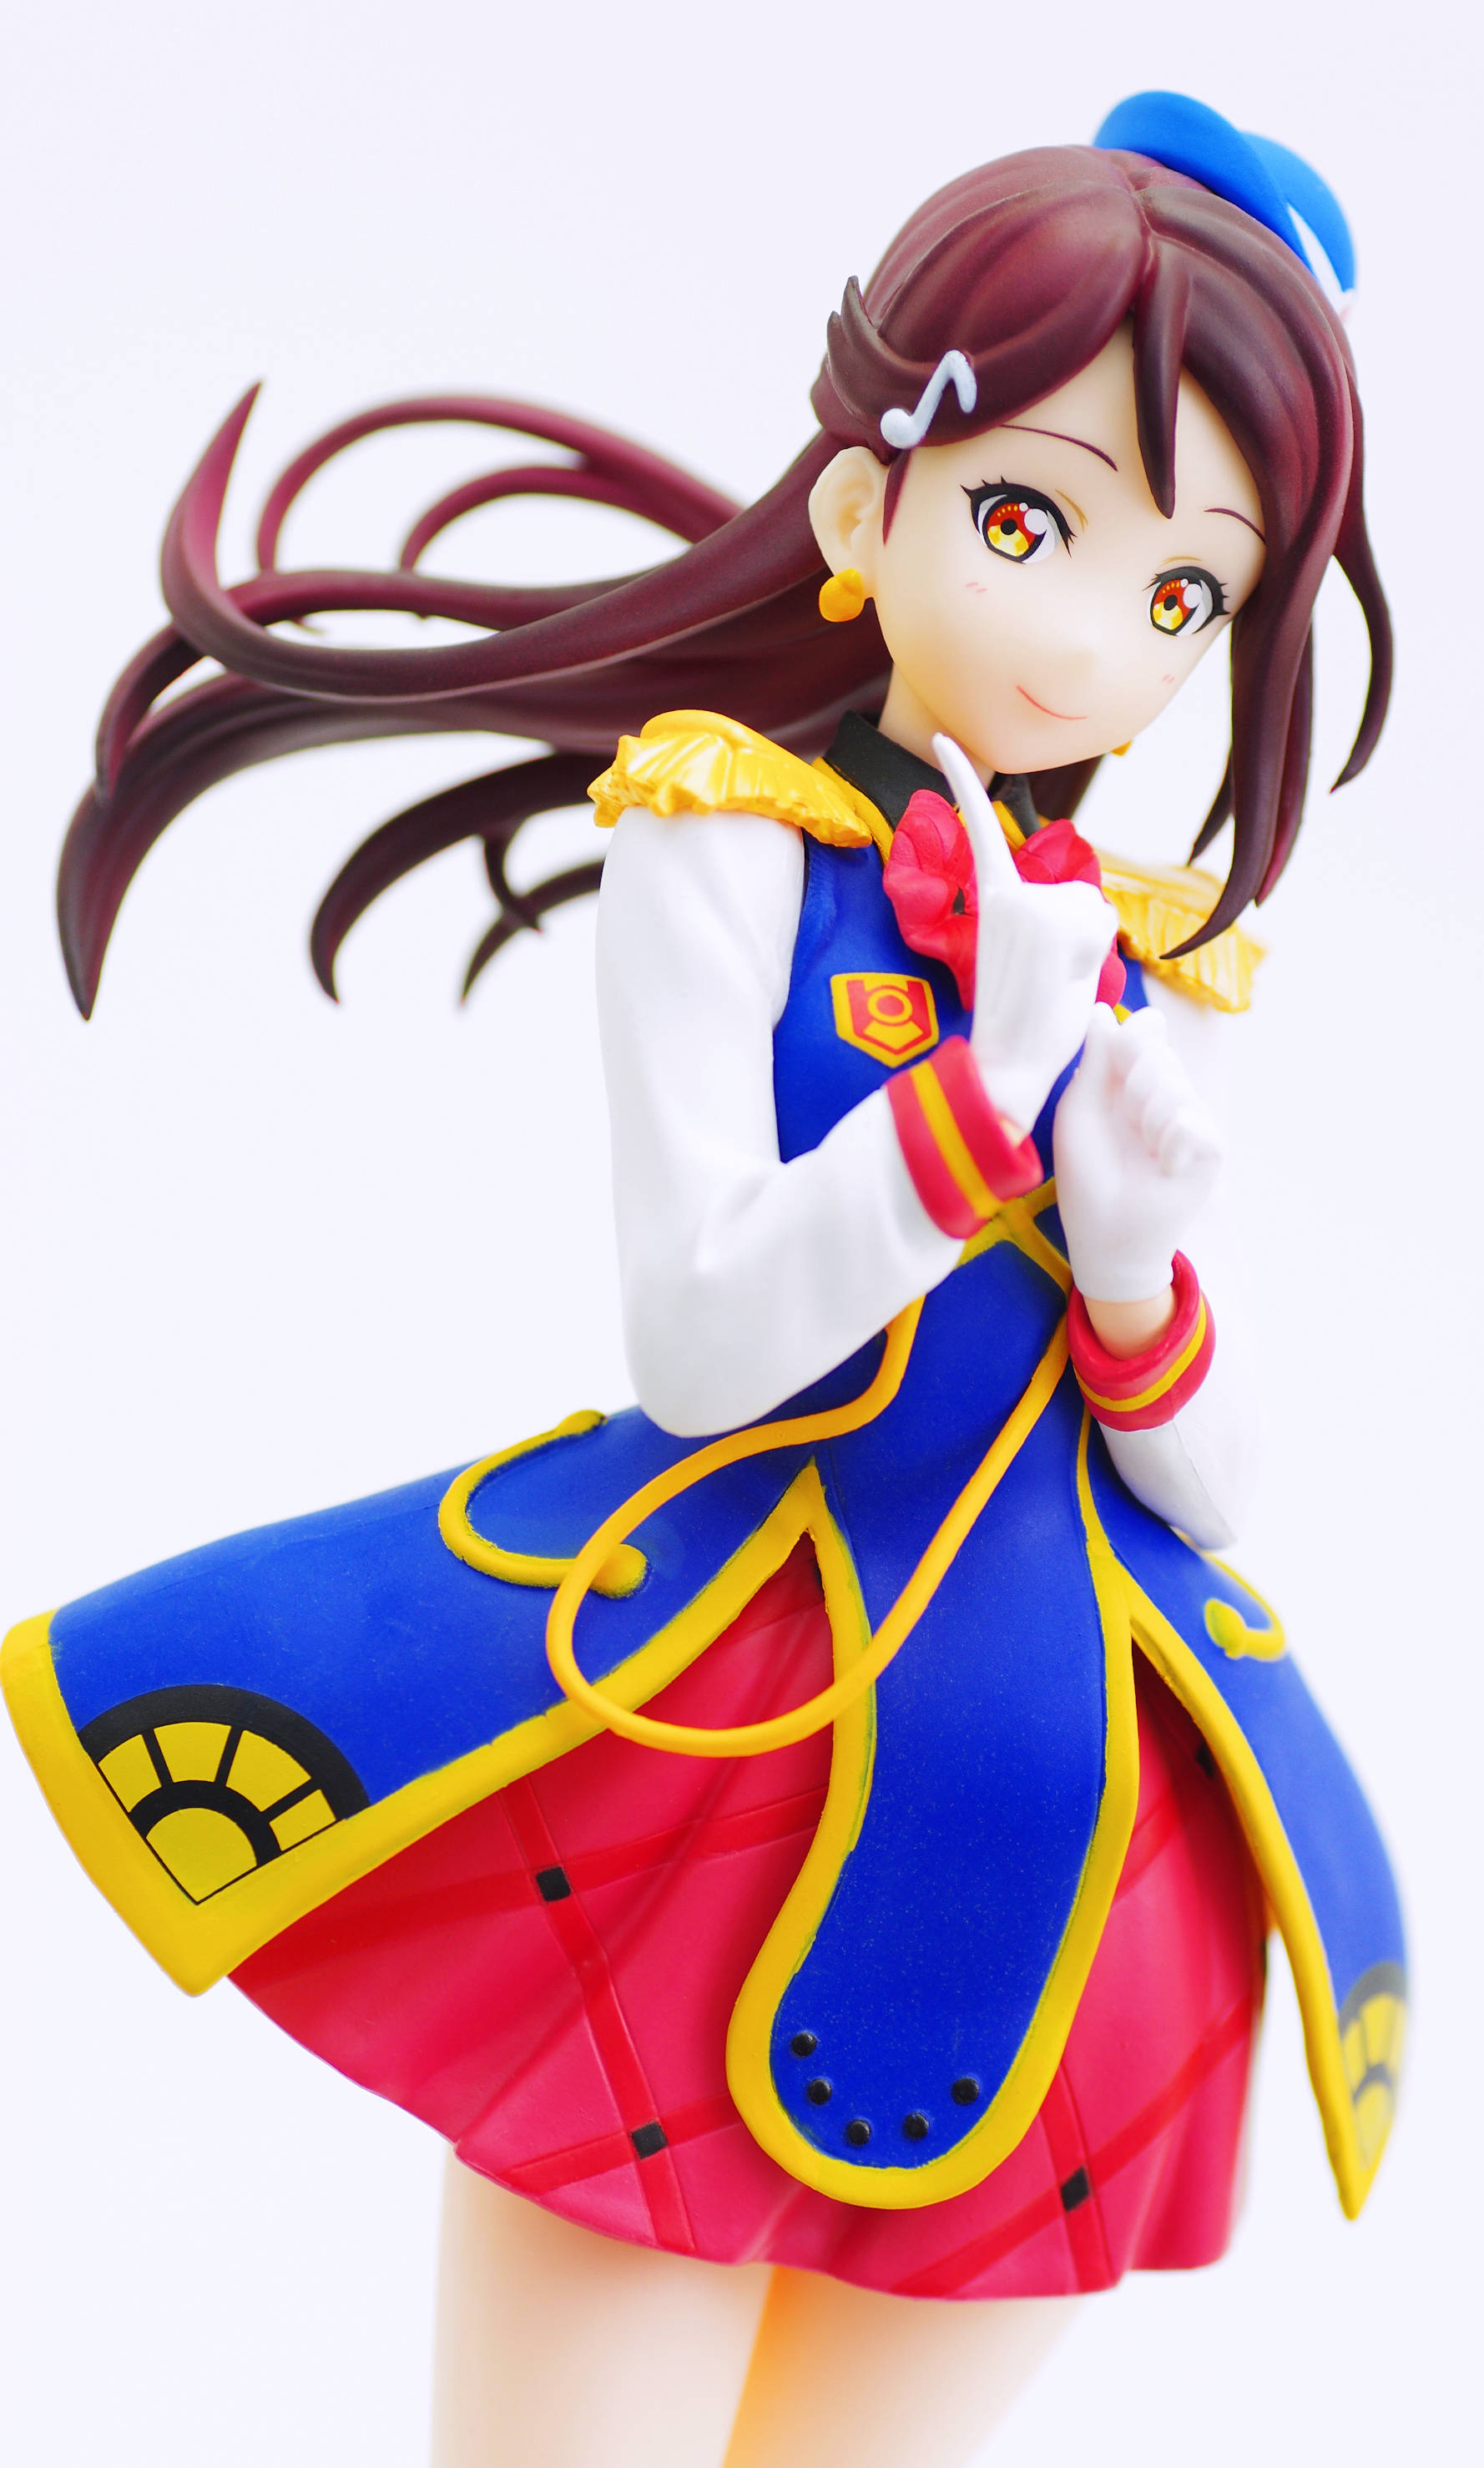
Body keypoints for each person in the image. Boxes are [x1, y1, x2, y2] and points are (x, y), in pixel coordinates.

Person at [4, 93, 1406, 2468]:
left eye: (1188, 595)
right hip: (717, 1717)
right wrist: (977, 1111)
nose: (1096, 639)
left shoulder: (1148, 955)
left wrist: (1132, 1255)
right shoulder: (723, 837)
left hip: (1088, 1806)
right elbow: (702, 1335)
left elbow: (1222, 1481)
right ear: (865, 511)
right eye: (1032, 521)